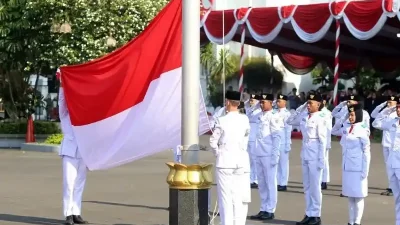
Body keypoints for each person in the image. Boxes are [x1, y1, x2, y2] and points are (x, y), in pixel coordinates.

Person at [209, 90, 251, 225]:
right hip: (241, 161)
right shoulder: (245, 119)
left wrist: (219, 153)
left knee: (225, 198)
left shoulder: (222, 120)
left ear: (227, 102)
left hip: (225, 162)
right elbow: (245, 140)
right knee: (238, 197)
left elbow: (213, 142)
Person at [287, 93, 327, 225]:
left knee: (315, 187)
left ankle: (316, 215)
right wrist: (301, 107)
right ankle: (309, 213)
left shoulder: (321, 118)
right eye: (308, 103)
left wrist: (322, 159)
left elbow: (323, 141)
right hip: (305, 154)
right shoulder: (304, 116)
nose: (309, 105)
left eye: (311, 103)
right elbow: (289, 121)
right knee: (307, 186)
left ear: (318, 104)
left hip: (315, 156)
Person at [332, 104, 371, 225]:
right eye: (350, 114)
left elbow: (366, 151)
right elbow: (334, 130)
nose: (351, 117)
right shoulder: (346, 126)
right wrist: (344, 116)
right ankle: (350, 221)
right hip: (347, 166)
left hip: (358, 167)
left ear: (358, 115)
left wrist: (365, 170)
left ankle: (357, 222)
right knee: (350, 196)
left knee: (358, 196)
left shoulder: (362, 128)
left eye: (353, 115)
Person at [59, 81, 89, 225]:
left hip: (83, 153)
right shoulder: (66, 115)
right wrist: (62, 85)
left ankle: (76, 212)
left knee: (79, 184)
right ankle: (68, 214)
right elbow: (62, 102)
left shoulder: (85, 117)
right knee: (69, 184)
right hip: (69, 152)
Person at [250, 93, 284, 221]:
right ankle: (263, 207)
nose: (262, 104)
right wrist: (255, 106)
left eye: (264, 102)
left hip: (269, 154)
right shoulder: (259, 114)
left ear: (271, 103)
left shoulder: (274, 116)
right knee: (262, 183)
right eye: (261, 102)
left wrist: (275, 155)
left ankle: (270, 209)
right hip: (259, 153)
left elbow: (277, 137)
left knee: (270, 182)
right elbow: (248, 115)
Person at [372, 99, 400, 225]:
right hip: (393, 163)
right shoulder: (392, 121)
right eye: (397, 107)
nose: (398, 109)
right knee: (397, 198)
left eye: (399, 107)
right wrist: (389, 109)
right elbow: (376, 122)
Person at [371, 95, 399, 196]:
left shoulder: (396, 115)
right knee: (389, 167)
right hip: (385, 143)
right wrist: (383, 106)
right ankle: (391, 186)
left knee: (395, 167)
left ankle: (392, 187)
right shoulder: (386, 112)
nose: (389, 104)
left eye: (391, 103)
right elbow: (374, 115)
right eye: (388, 102)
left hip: (394, 146)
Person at [244, 93, 262, 188]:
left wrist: (257, 104)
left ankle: (255, 179)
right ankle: (250, 178)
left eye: (253, 100)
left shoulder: (259, 111)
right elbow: (246, 103)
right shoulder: (248, 109)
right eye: (251, 99)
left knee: (255, 160)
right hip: (248, 138)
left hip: (255, 139)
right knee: (249, 159)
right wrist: (250, 102)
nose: (251, 101)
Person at [275, 94, 292, 192]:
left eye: (279, 101)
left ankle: (283, 183)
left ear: (284, 102)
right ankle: (277, 182)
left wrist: (287, 143)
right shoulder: (274, 112)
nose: (277, 102)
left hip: (283, 141)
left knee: (283, 164)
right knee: (276, 163)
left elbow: (288, 129)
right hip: (275, 142)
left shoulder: (287, 114)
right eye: (277, 101)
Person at [320, 95, 332, 190]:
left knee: (324, 160)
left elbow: (329, 129)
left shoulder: (327, 113)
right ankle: (319, 180)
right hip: (316, 142)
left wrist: (327, 142)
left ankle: (324, 181)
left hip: (324, 140)